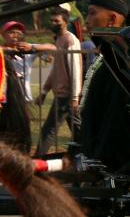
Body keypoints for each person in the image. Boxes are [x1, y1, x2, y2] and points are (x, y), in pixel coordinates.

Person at [77, 0, 130, 171]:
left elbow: (115, 123)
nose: (87, 20)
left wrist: (97, 163)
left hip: (109, 164)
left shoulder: (120, 62)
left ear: (112, 19)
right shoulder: (110, 57)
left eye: (92, 13)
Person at [34, 8, 82, 156]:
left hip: (66, 97)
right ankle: (82, 159)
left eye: (57, 21)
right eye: (52, 20)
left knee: (48, 132)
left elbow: (75, 71)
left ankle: (36, 164)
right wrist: (44, 91)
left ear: (65, 22)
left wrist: (74, 98)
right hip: (61, 95)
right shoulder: (59, 40)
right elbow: (55, 70)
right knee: (80, 133)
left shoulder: (70, 40)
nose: (53, 23)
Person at [1, 21, 33, 152]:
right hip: (4, 99)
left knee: (22, 130)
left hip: (23, 98)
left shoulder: (27, 51)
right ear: (3, 35)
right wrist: (6, 50)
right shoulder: (1, 52)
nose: (15, 36)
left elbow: (51, 48)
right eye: (11, 32)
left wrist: (32, 47)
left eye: (18, 33)